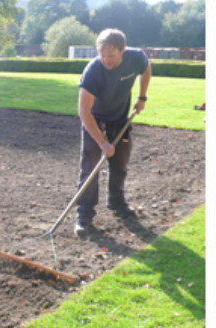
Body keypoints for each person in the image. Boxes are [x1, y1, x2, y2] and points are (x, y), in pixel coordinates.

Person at [74, 29, 151, 235]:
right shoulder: (93, 71)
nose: (106, 60)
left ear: (122, 50)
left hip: (120, 120)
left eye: (111, 55)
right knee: (90, 167)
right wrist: (102, 143)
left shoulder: (135, 58)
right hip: (95, 121)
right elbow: (84, 111)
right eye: (102, 55)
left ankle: (116, 203)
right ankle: (84, 216)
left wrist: (142, 97)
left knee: (120, 165)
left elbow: (147, 67)